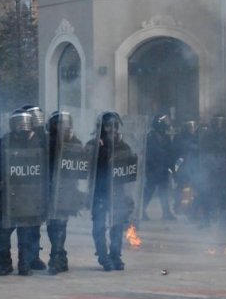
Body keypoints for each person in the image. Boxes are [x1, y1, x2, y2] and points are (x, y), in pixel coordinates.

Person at [0, 107, 47, 276]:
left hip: (29, 195)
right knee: (4, 233)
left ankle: (24, 264)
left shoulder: (39, 143)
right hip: (8, 195)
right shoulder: (5, 142)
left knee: (25, 232)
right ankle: (5, 263)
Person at [89, 111, 136, 271]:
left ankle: (115, 255)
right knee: (99, 226)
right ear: (102, 127)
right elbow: (86, 169)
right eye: (109, 126)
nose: (113, 130)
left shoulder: (124, 146)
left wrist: (130, 196)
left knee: (117, 225)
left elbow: (130, 173)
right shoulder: (93, 146)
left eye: (116, 126)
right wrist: (101, 150)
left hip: (118, 193)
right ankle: (103, 256)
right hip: (99, 193)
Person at [45, 110, 83, 275]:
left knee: (60, 223)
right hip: (49, 187)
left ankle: (56, 256)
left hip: (67, 188)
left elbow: (82, 163)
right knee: (52, 224)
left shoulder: (75, 143)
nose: (61, 127)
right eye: (58, 123)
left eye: (64, 124)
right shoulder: (46, 142)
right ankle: (60, 256)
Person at [198, 115, 226, 228]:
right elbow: (204, 153)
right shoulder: (207, 137)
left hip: (222, 171)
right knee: (206, 196)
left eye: (221, 123)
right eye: (218, 123)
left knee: (222, 196)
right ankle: (206, 221)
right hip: (209, 171)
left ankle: (223, 220)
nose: (220, 126)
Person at [142, 114, 176, 220]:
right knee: (149, 191)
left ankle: (166, 212)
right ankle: (141, 211)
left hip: (164, 169)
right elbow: (148, 153)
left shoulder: (166, 138)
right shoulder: (150, 137)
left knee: (164, 191)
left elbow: (171, 153)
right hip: (152, 169)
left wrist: (172, 168)